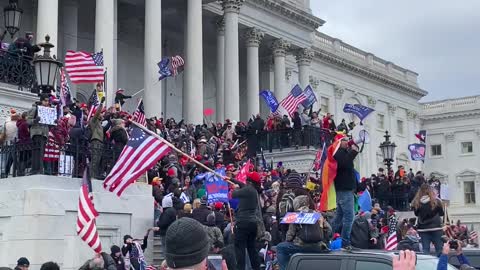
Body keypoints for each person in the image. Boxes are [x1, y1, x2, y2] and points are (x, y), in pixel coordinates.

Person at [276, 195, 331, 270]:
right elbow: (329, 230)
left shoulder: (296, 215)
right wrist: (324, 240)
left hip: (301, 246)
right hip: (318, 247)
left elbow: (289, 236)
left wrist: (289, 241)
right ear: (307, 204)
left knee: (280, 247)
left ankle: (286, 268)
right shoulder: (317, 214)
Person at [332, 135, 359, 249]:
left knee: (339, 218)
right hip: (344, 189)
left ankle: (328, 235)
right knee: (349, 217)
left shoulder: (343, 152)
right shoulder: (338, 153)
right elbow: (344, 163)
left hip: (345, 189)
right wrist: (352, 152)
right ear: (339, 141)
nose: (347, 142)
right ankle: (345, 242)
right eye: (345, 140)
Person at [232, 171, 262, 270]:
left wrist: (234, 188)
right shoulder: (253, 190)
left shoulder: (248, 190)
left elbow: (234, 194)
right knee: (251, 248)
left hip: (242, 223)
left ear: (250, 181)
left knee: (240, 249)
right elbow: (242, 184)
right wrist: (230, 179)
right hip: (252, 224)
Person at [412, 183, 444, 255]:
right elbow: (442, 213)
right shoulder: (436, 201)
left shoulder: (416, 202)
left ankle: (427, 265)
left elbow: (416, 214)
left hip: (423, 229)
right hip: (436, 228)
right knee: (439, 249)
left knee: (425, 249)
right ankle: (439, 265)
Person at [26, 94, 51, 174]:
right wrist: (35, 120)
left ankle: (39, 169)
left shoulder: (48, 110)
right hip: (36, 132)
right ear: (41, 100)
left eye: (48, 101)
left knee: (42, 152)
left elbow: (49, 123)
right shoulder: (34, 109)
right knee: (36, 152)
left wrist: (54, 122)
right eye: (45, 100)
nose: (47, 102)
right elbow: (27, 120)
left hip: (44, 134)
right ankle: (34, 169)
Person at [88, 97, 105, 179]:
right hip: (95, 142)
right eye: (102, 113)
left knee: (97, 161)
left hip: (100, 143)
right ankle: (91, 176)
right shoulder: (93, 121)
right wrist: (101, 103)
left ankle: (94, 175)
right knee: (94, 161)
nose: (102, 114)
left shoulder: (100, 123)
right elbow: (97, 113)